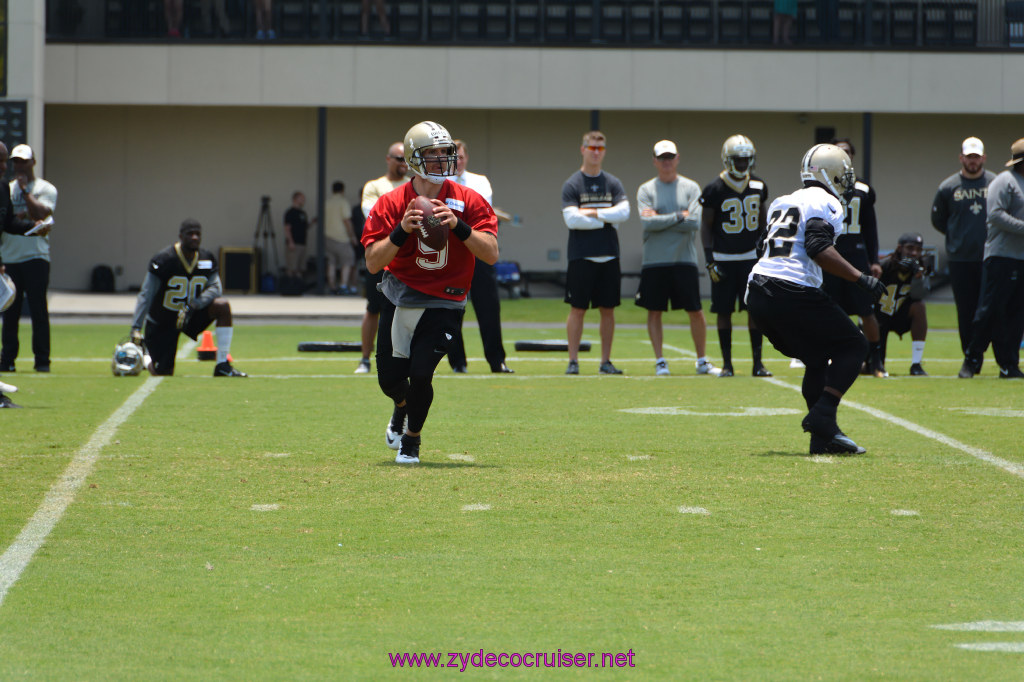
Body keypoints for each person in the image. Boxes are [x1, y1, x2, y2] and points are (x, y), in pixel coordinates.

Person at [361, 121, 498, 464]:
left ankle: (412, 440)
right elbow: (373, 263)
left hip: (446, 299)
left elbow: (491, 254)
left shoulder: (469, 200)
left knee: (422, 373)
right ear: (412, 158)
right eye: (432, 154)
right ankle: (400, 407)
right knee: (391, 381)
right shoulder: (392, 203)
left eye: (445, 153)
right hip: (401, 297)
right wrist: (399, 232)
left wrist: (459, 226)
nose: (441, 160)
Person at [746, 143, 887, 455]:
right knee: (855, 345)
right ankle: (823, 416)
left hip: (757, 292)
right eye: (844, 172)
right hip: (790, 289)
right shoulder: (828, 202)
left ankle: (822, 439)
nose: (848, 179)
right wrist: (860, 277)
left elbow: (764, 246)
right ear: (831, 172)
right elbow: (817, 246)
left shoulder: (783, 201)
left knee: (817, 357)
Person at [635, 139, 714, 376]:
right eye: (662, 158)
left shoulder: (691, 188)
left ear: (677, 159)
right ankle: (660, 361)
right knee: (654, 311)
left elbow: (695, 222)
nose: (666, 162)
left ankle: (701, 360)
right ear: (655, 161)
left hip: (684, 260)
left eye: (670, 157)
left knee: (695, 311)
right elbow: (647, 222)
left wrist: (663, 219)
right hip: (654, 261)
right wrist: (679, 216)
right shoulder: (646, 189)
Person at [130, 219, 247, 377]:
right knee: (163, 372)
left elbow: (216, 288)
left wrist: (194, 305)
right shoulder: (164, 259)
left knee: (222, 306)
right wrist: (136, 327)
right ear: (180, 236)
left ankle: (222, 365)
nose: (194, 237)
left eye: (197, 234)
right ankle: (145, 358)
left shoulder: (206, 258)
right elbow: (146, 294)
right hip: (163, 320)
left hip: (189, 315)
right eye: (190, 234)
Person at [699, 134, 771, 378]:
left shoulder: (759, 185)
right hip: (724, 258)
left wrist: (765, 253)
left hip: (751, 258)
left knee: (755, 310)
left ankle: (757, 364)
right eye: (737, 160)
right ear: (727, 160)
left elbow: (763, 224)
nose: (742, 164)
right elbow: (706, 225)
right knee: (724, 311)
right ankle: (728, 364)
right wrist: (709, 259)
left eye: (746, 160)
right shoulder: (714, 188)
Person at [561, 130, 630, 375]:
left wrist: (591, 213)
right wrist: (606, 217)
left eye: (600, 148)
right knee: (577, 309)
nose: (596, 152)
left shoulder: (612, 182)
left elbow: (624, 213)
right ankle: (573, 361)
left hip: (609, 255)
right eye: (592, 147)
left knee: (608, 310)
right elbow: (571, 219)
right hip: (581, 256)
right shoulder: (572, 184)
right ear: (583, 149)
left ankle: (605, 362)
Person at [446, 139, 513, 374]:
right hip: (452, 254)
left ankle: (497, 361)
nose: (458, 161)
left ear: (467, 157)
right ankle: (458, 362)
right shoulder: (440, 183)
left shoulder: (479, 181)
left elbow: (480, 209)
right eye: (453, 157)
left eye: (461, 156)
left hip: (479, 250)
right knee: (453, 308)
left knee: (489, 308)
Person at [959, 138, 1024, 379]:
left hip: (1022, 257)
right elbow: (995, 215)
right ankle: (971, 358)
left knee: (1016, 314)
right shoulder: (1004, 182)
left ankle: (1009, 365)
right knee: (990, 311)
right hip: (1001, 256)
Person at [821, 138, 884, 377]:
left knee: (866, 311)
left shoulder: (864, 189)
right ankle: (831, 358)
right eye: (838, 151)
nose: (842, 155)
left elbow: (870, 227)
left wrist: (875, 259)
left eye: (846, 152)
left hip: (856, 255)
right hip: (831, 255)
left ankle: (876, 360)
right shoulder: (824, 187)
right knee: (830, 311)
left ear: (852, 157)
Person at [931, 136, 996, 362]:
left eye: (976, 157)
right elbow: (939, 220)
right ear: (961, 158)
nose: (973, 161)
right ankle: (970, 355)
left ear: (983, 158)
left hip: (990, 256)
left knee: (989, 309)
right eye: (969, 157)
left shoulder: (994, 184)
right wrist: (958, 237)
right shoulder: (948, 187)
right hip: (960, 258)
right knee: (965, 310)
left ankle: (990, 353)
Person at [1, 144, 58, 374]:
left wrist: (25, 192)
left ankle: (42, 360)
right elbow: (9, 221)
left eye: (23, 161)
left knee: (38, 310)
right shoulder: (6, 187)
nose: (18, 166)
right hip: (9, 256)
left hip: (35, 256)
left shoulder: (45, 188)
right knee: (9, 312)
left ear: (33, 162)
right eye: (15, 161)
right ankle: (7, 360)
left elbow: (41, 214)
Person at [356, 141, 410, 374]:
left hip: (407, 255)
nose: (404, 163)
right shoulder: (375, 186)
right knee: (373, 307)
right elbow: (372, 215)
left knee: (408, 307)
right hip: (382, 252)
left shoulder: (414, 185)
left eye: (406, 159)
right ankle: (365, 359)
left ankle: (408, 358)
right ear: (388, 159)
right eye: (399, 158)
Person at [875, 233, 929, 376]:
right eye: (910, 248)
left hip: (900, 315)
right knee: (871, 367)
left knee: (919, 307)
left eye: (918, 249)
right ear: (900, 248)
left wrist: (918, 277)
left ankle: (916, 364)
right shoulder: (885, 266)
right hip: (879, 317)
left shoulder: (921, 268)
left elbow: (919, 296)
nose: (914, 253)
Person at [324, 181, 357, 294]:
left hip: (328, 237)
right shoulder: (343, 202)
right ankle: (343, 286)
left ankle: (332, 286)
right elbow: (346, 220)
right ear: (342, 190)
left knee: (331, 263)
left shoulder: (327, 203)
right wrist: (352, 236)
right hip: (342, 238)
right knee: (348, 261)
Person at [283, 191, 313, 283]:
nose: (304, 200)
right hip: (294, 243)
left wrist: (313, 222)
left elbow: (304, 227)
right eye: (301, 198)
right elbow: (287, 228)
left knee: (301, 267)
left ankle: (298, 286)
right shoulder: (290, 212)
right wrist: (290, 242)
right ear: (295, 199)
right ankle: (289, 286)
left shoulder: (303, 213)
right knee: (292, 267)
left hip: (302, 243)